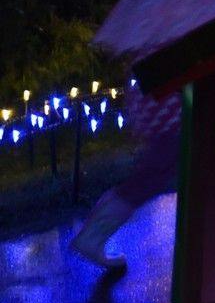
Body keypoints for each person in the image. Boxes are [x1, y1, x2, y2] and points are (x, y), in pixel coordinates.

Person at [69, 86, 180, 274]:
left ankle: (93, 236)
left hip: (164, 109)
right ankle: (93, 237)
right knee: (144, 182)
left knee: (147, 181)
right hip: (169, 112)